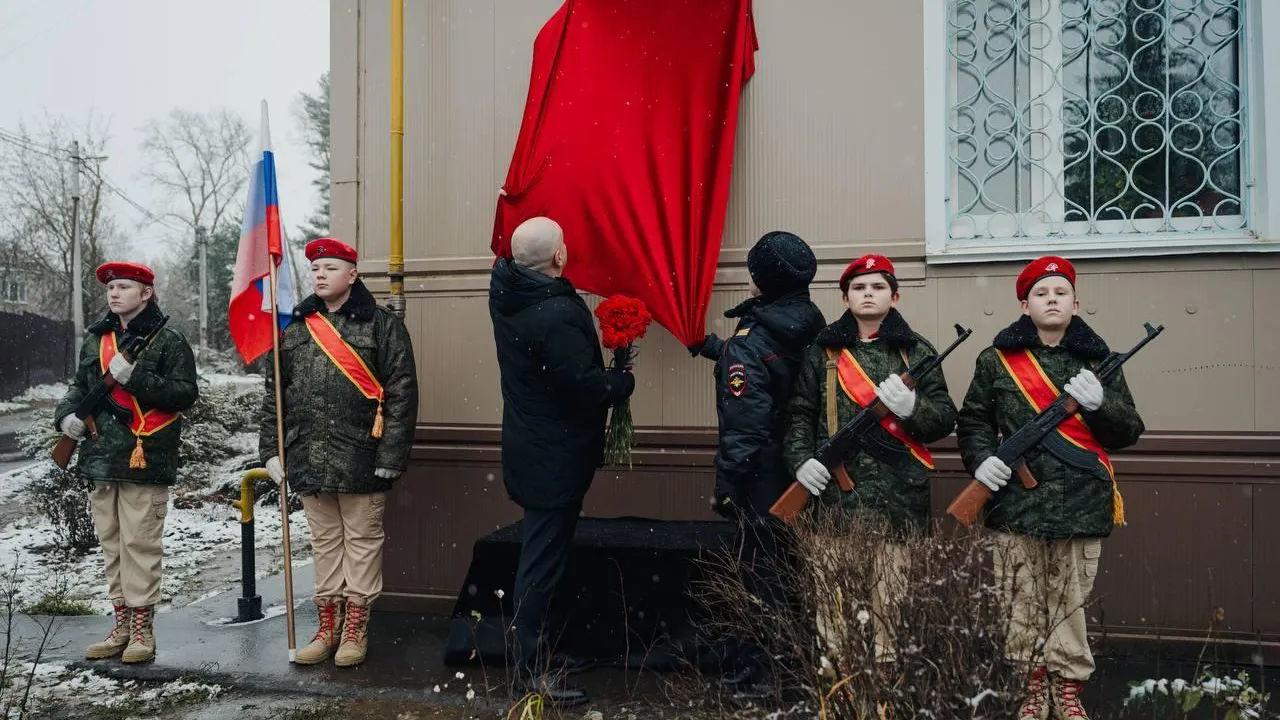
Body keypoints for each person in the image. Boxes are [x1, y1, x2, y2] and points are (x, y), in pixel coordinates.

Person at [956, 256, 1144, 720]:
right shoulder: (996, 360)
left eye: (1061, 293)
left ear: (1076, 303)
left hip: (1080, 502)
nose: (1052, 300)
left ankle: (1068, 689)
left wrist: (1100, 405)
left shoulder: (1099, 362)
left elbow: (1126, 431)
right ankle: (1032, 688)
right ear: (1025, 305)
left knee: (1070, 604)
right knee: (1020, 602)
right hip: (1015, 504)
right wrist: (982, 462)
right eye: (1041, 293)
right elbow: (974, 421)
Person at [781, 254, 957, 671]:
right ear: (844, 297)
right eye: (858, 288)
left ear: (895, 296)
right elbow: (800, 413)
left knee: (891, 604)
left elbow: (944, 418)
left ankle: (886, 680)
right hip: (834, 502)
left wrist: (913, 408)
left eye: (878, 287)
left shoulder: (917, 352)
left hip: (898, 500)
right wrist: (801, 461)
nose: (868, 294)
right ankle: (837, 681)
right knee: (833, 603)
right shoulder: (823, 352)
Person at [488, 216, 635, 706]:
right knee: (541, 566)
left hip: (532, 448)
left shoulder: (507, 294)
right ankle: (530, 670)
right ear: (559, 256)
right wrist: (621, 382)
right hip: (553, 457)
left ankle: (546, 651)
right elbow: (583, 386)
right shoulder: (554, 315)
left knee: (546, 558)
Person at [260, 238, 419, 668]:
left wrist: (391, 456)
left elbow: (402, 393)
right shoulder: (295, 327)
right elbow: (275, 394)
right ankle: (327, 626)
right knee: (325, 544)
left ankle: (355, 628)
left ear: (352, 274)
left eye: (330, 268)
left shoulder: (381, 325)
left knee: (362, 543)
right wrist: (271, 450)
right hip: (308, 456)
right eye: (315, 269)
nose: (320, 275)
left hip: (362, 455)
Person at [687, 230, 824, 695]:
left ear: (759, 281)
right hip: (801, 468)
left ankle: (763, 675)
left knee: (761, 576)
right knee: (790, 569)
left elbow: (745, 425)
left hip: (761, 476)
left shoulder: (754, 338)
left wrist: (727, 487)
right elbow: (777, 369)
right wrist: (714, 347)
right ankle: (797, 665)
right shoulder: (808, 322)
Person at [55, 261, 198, 664]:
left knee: (140, 546)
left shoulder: (167, 340)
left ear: (146, 293)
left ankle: (141, 631)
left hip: (144, 458)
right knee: (113, 547)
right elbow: (79, 387)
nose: (114, 294)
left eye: (123, 287)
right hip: (100, 458)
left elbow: (185, 394)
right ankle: (120, 625)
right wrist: (65, 416)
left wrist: (135, 378)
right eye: (110, 288)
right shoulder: (97, 339)